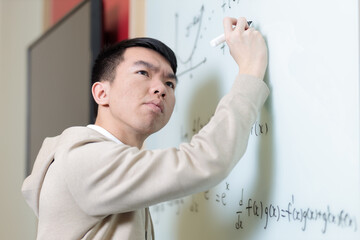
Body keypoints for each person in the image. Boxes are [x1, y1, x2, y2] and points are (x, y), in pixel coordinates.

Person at [22, 17, 269, 239]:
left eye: (170, 83)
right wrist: (250, 71)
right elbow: (205, 161)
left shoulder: (113, 163)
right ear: (101, 92)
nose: (160, 88)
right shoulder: (83, 160)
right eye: (143, 72)